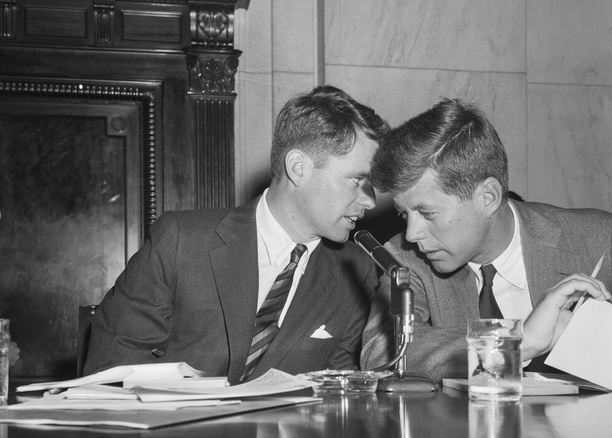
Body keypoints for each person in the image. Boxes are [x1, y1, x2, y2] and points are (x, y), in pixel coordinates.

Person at [361, 98, 612, 386]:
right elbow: (382, 355)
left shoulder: (600, 241)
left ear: (489, 197)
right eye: (403, 214)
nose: (411, 234)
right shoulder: (402, 260)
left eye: (427, 213)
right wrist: (517, 342)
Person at [85, 85, 389, 383]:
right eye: (357, 179)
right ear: (298, 168)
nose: (370, 200)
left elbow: (339, 393)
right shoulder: (180, 242)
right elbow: (112, 371)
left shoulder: (357, 270)